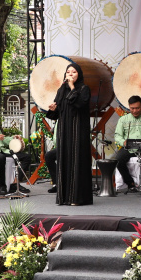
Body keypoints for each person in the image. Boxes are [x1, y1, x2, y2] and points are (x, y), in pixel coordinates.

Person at [46, 63, 93, 206]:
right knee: (64, 159)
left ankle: (77, 198)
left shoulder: (84, 89)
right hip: (64, 130)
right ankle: (64, 197)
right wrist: (53, 108)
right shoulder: (61, 90)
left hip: (78, 131)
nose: (70, 74)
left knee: (77, 160)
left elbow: (80, 104)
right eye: (68, 72)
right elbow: (57, 113)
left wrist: (73, 87)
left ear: (79, 75)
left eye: (74, 72)